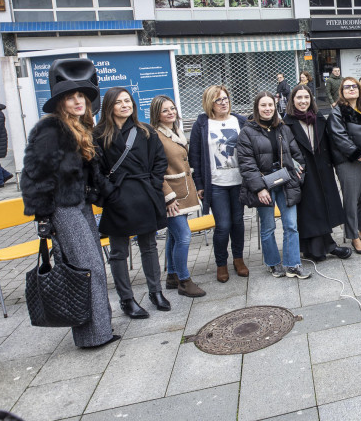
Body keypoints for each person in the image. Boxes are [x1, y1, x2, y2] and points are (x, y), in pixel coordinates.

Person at [20, 58, 118, 348]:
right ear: (60, 102)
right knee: (88, 268)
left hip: (80, 206)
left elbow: (89, 173)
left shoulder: (78, 127)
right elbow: (35, 176)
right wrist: (42, 217)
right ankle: (93, 335)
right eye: (71, 97)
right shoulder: (50, 129)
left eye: (83, 97)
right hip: (62, 210)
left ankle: (99, 330)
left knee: (92, 267)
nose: (78, 101)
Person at [94, 87, 169, 319]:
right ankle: (126, 299)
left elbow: (159, 159)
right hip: (117, 198)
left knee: (149, 246)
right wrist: (110, 192)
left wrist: (155, 185)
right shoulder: (98, 134)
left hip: (144, 194)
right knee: (118, 252)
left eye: (128, 101)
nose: (125, 105)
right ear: (109, 106)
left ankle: (155, 292)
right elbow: (94, 170)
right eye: (119, 102)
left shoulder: (144, 131)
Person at [236, 92, 310, 279]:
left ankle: (292, 264)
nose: (267, 108)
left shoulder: (283, 128)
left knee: (291, 225)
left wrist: (299, 170)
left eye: (270, 105)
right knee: (268, 227)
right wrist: (259, 188)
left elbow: (296, 153)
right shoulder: (247, 131)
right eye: (263, 105)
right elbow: (246, 164)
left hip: (286, 183)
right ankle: (272, 263)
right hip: (264, 186)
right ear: (257, 108)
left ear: (275, 106)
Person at [283, 84, 351, 262]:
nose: (303, 101)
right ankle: (325, 247)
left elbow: (330, 143)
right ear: (293, 100)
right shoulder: (287, 122)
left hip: (322, 170)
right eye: (299, 98)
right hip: (302, 172)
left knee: (322, 207)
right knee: (309, 210)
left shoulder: (318, 118)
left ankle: (319, 248)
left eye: (306, 97)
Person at [188, 85, 248, 283]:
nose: (224, 103)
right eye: (218, 100)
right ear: (210, 104)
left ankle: (238, 259)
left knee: (238, 222)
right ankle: (221, 263)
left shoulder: (239, 121)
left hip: (238, 182)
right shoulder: (202, 124)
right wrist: (199, 184)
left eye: (226, 99)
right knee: (223, 225)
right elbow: (194, 156)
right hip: (216, 184)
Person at [149, 95, 205, 298]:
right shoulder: (155, 136)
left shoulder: (174, 132)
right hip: (171, 196)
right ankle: (184, 280)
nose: (171, 112)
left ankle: (172, 275)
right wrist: (168, 197)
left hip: (183, 191)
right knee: (183, 236)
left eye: (172, 108)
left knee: (174, 236)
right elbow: (153, 170)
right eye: (165, 110)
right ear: (157, 114)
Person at [328, 76, 361, 254]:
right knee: (351, 200)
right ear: (341, 92)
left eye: (354, 86)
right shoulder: (337, 111)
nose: (351, 89)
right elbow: (341, 139)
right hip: (349, 161)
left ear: (359, 89)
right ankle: (353, 236)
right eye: (347, 87)